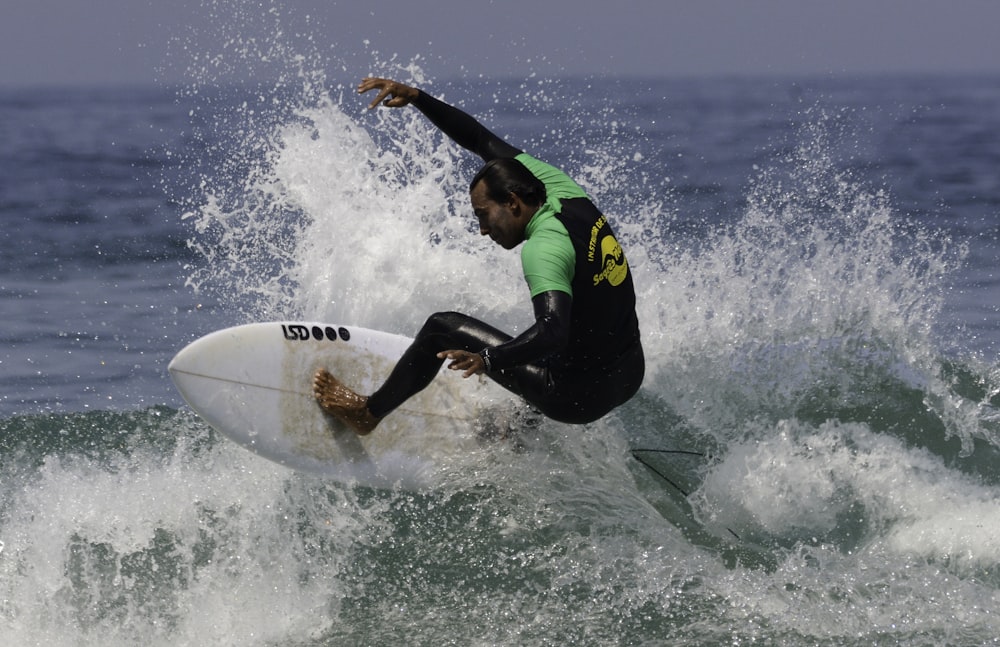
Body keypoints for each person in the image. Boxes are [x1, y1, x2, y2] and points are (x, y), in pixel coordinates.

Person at [313, 77, 644, 434]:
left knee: (443, 327)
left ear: (513, 203)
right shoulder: (559, 188)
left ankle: (367, 414)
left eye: (484, 215)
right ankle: (516, 431)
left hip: (574, 398)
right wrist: (418, 98)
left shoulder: (544, 247)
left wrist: (487, 360)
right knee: (559, 332)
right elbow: (480, 140)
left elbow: (553, 333)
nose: (483, 230)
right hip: (628, 375)